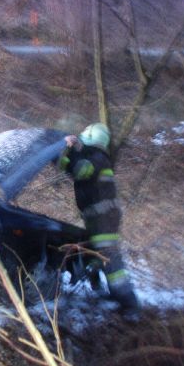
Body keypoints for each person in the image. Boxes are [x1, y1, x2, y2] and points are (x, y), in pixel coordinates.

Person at [59, 123, 139, 314]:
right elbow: (66, 167)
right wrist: (65, 151)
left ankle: (129, 303)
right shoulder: (94, 156)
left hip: (104, 218)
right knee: (97, 254)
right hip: (100, 217)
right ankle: (105, 291)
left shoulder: (98, 158)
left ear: (90, 139)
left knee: (109, 257)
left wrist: (72, 150)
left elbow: (79, 170)